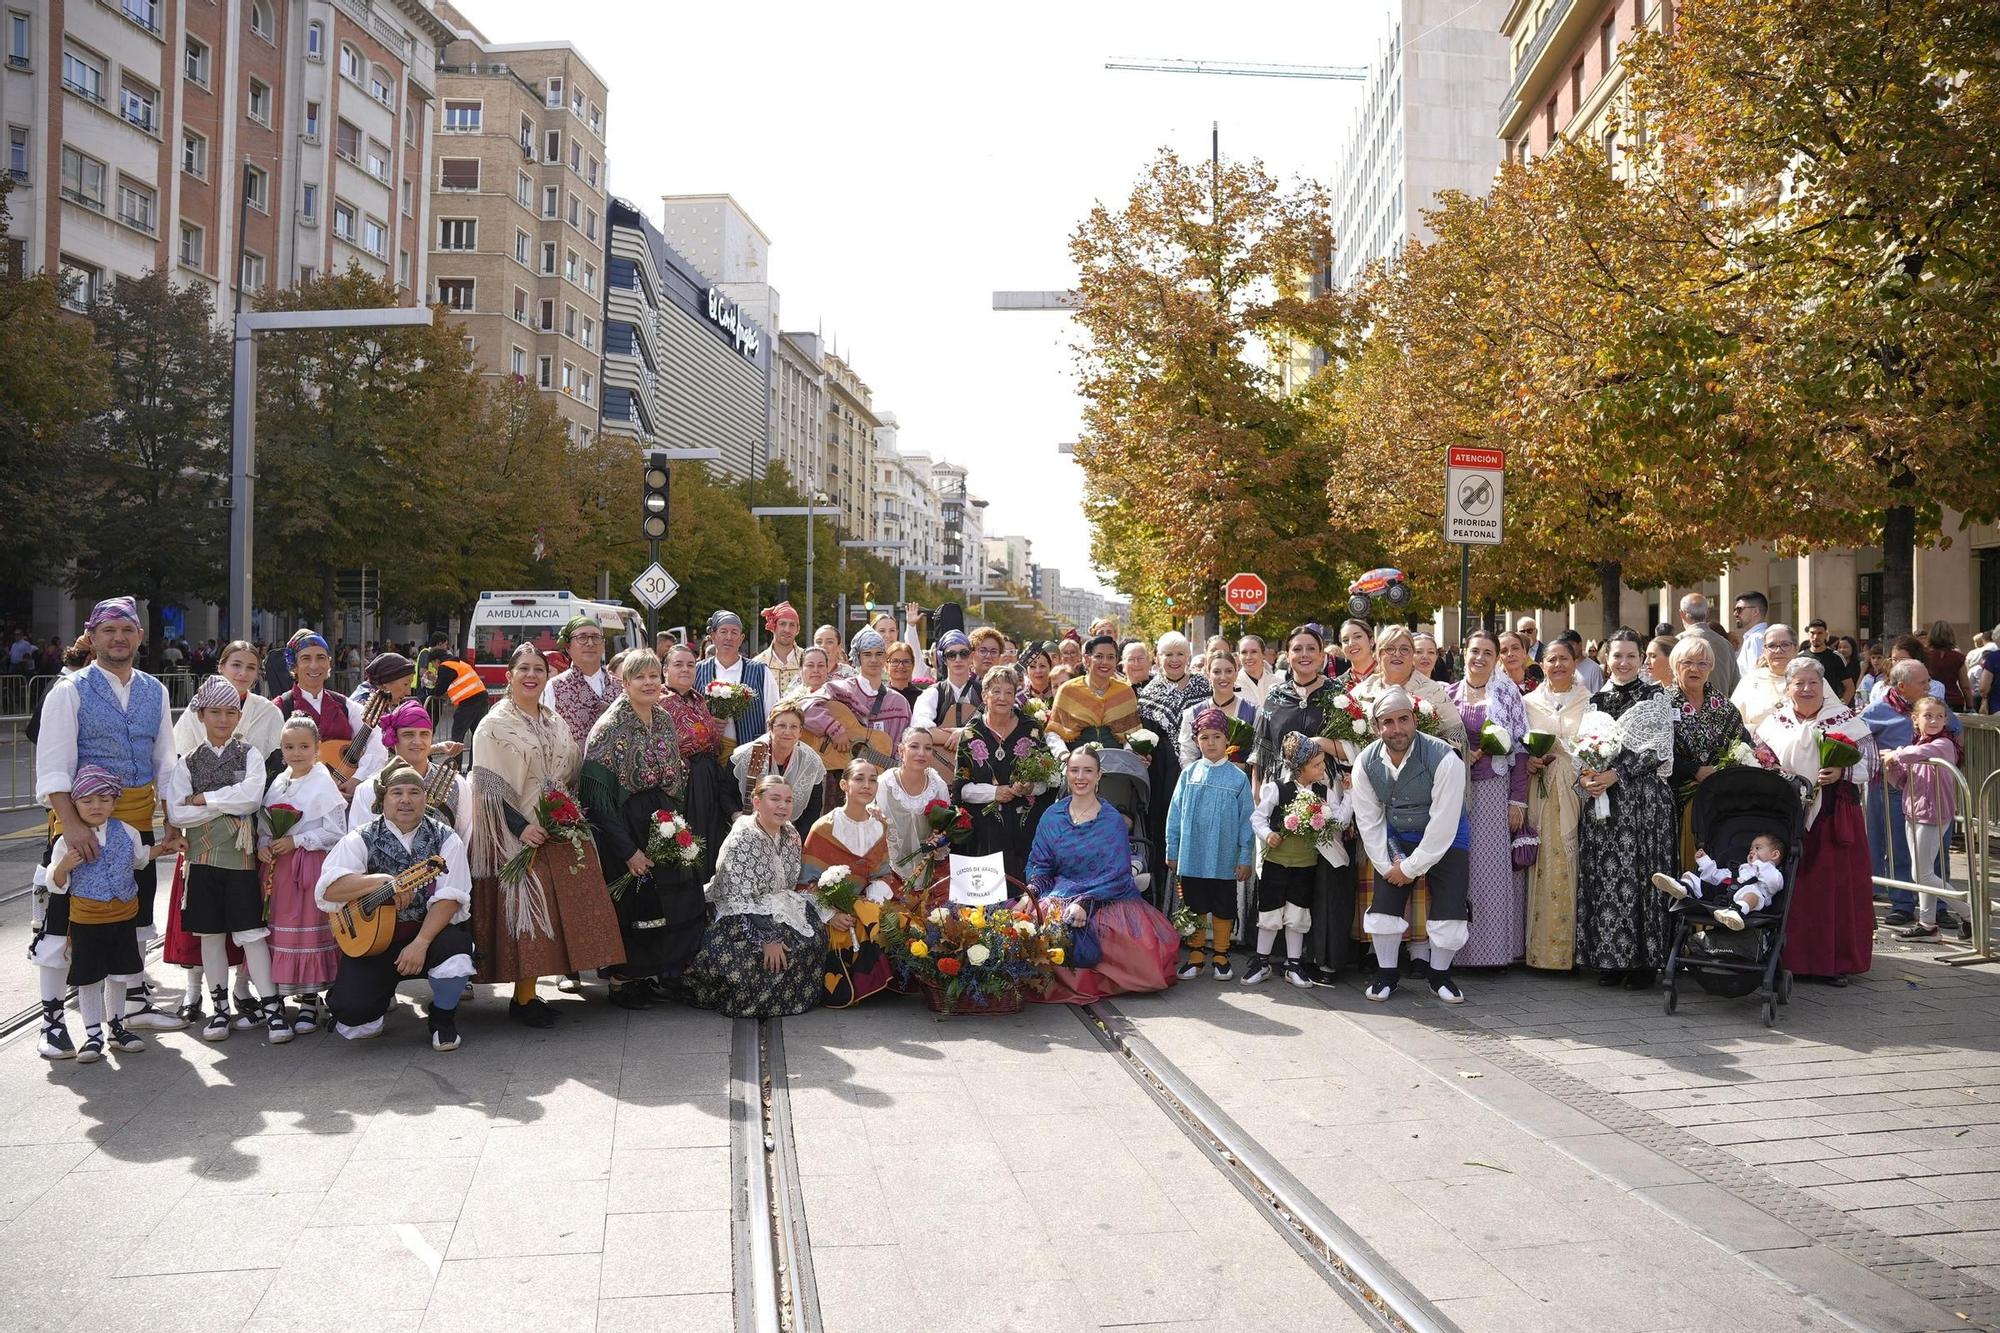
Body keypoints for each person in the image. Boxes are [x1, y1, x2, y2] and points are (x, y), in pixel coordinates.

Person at [31, 596, 184, 1033]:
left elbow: (165, 761)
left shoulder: (154, 690)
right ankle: (52, 1022)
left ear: (140, 635)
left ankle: (132, 1004)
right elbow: (53, 764)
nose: (118, 638)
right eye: (108, 631)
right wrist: (74, 825)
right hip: (82, 820)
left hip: (135, 820)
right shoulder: (69, 690)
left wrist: (170, 819)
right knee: (64, 918)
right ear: (92, 636)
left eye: (126, 630)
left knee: (130, 912)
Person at [466, 642, 626, 1027]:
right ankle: (523, 998)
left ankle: (573, 976)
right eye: (523, 668)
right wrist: (522, 827)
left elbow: (568, 770)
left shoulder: (554, 720)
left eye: (539, 668)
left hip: (557, 824)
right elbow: (488, 789)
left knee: (567, 898)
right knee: (529, 906)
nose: (532, 675)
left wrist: (566, 814)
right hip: (512, 831)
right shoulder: (494, 724)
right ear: (509, 676)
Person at [315, 759, 476, 1049]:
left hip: (428, 935)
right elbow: (329, 889)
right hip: (373, 942)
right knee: (355, 1022)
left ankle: (442, 1018)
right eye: (397, 792)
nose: (405, 800)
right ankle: (374, 996)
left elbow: (452, 897)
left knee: (456, 952)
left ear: (425, 798)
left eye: (414, 792)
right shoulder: (360, 838)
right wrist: (380, 882)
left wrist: (421, 943)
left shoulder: (445, 838)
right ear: (383, 798)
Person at [580, 648, 709, 1008]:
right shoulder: (608, 728)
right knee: (638, 903)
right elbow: (599, 800)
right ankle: (624, 980)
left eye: (654, 676)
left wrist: (678, 827)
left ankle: (667, 972)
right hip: (626, 826)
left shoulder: (664, 718)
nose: (649, 683)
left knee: (678, 896)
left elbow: (674, 777)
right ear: (625, 682)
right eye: (640, 677)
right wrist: (629, 851)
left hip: (664, 820)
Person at [164, 675, 283, 1042]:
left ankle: (272, 1007)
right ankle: (219, 1009)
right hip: (201, 863)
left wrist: (203, 800)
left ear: (239, 715)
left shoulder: (249, 754)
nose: (223, 719)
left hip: (240, 863)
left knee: (251, 934)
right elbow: (176, 814)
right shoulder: (188, 762)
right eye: (215, 711)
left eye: (231, 712)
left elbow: (251, 800)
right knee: (210, 937)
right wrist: (222, 804)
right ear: (200, 715)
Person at [1021, 746, 1180, 1002]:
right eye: (1074, 770)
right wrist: (1033, 892)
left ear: (1099, 776)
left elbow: (1117, 875)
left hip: (1106, 894)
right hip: (1061, 890)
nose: (1080, 777)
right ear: (1066, 774)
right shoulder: (1052, 816)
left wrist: (1086, 903)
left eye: (1088, 771)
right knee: (1035, 923)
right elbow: (1041, 864)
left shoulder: (1111, 820)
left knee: (1136, 951)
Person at [1757, 657, 1876, 983]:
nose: (1806, 689)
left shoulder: (1845, 720)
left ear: (1823, 687)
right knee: (1792, 888)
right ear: (1789, 687)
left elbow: (1872, 765)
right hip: (1788, 815)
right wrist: (1774, 770)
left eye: (1813, 683)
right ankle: (1788, 957)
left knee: (1832, 888)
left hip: (1833, 815)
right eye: (1799, 683)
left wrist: (1842, 771)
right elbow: (1761, 754)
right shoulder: (1776, 721)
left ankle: (1834, 963)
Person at [1350, 687, 1473, 1004]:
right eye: (1388, 722)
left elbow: (1444, 822)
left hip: (1445, 839)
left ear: (1414, 719)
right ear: (1377, 727)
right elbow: (1369, 820)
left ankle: (1439, 976)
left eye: (1403, 719)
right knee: (1384, 909)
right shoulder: (1365, 763)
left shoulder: (1445, 758)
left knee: (1450, 912)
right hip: (1397, 838)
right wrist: (1388, 866)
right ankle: (1386, 974)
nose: (1397, 729)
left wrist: (1411, 868)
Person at [1573, 631, 1677, 989]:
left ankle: (1644, 963)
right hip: (1605, 805)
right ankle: (1610, 959)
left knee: (1642, 878)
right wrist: (1586, 777)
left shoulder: (1655, 696)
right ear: (1606, 659)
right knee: (1607, 878)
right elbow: (1584, 748)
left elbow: (1657, 750)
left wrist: (1617, 773)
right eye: (1617, 655)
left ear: (1641, 659)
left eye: (1631, 655)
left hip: (1643, 803)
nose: (1623, 662)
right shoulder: (1596, 700)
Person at [1249, 625, 1352, 985]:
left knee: (1321, 877)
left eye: (1311, 648)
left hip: (1326, 792)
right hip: (1282, 795)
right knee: (1281, 873)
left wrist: (1325, 744)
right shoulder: (1275, 697)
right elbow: (1261, 752)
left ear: (1323, 655)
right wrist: (1259, 793)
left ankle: (1320, 958)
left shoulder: (1339, 695)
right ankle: (1274, 957)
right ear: (1287, 655)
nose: (1304, 655)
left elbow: (1353, 747)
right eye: (1297, 649)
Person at [31, 765, 156, 1062]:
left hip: (123, 916)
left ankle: (116, 1027)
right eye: (87, 801)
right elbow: (56, 885)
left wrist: (164, 846)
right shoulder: (67, 840)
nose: (96, 806)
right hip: (87, 920)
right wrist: (64, 866)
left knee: (119, 975)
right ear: (74, 804)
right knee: (89, 978)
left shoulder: (127, 831)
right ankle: (92, 1035)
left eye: (104, 799)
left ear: (114, 801)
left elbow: (140, 860)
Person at [682, 777, 825, 1018]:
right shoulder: (742, 839)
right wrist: (768, 938)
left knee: (812, 938)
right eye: (775, 799)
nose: (783, 806)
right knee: (752, 959)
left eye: (788, 800)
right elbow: (740, 898)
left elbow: (787, 885)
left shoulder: (790, 833)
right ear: (757, 802)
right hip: (738, 912)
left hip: (775, 903)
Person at [258, 715, 346, 1035]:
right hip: (278, 869)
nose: (296, 753)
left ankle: (310, 998)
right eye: (289, 747)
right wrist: (263, 844)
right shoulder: (280, 781)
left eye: (304, 746)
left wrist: (297, 840)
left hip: (308, 867)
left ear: (317, 748)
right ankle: (281, 998)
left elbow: (336, 831)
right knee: (280, 932)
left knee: (307, 929)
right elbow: (265, 823)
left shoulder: (323, 783)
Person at [1448, 629, 1530, 967]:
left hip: (1494, 788)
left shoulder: (1507, 693)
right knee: (1458, 868)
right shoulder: (1449, 694)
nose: (1479, 657)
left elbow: (1521, 748)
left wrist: (1517, 800)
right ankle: (1456, 951)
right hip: (1456, 790)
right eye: (1474, 650)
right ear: (1464, 653)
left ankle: (1493, 952)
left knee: (1491, 872)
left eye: (1487, 652)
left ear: (1497, 659)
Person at [1861, 657, 1963, 927]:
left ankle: (1940, 908)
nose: (1929, 686)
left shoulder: (1934, 707)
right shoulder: (1877, 710)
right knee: (1900, 851)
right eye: (1923, 682)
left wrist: (1899, 755)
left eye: (1928, 680)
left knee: (1936, 854)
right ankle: (1903, 904)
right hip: (1895, 789)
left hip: (1933, 794)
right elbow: (1858, 738)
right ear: (1902, 686)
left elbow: (1955, 732)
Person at [1247, 733, 1349, 987]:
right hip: (1276, 862)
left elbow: (1339, 821)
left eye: (1322, 763)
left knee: (1298, 913)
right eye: (1316, 765)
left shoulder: (1323, 792)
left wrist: (1350, 795)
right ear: (1299, 767)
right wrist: (1268, 834)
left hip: (1305, 864)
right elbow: (1257, 818)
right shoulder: (1277, 789)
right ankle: (1262, 961)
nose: (1322, 768)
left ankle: (1294, 964)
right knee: (1270, 911)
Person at [797, 760, 897, 1008]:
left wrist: (873, 897)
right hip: (831, 909)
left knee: (891, 917)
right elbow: (806, 884)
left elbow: (885, 874)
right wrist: (830, 914)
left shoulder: (879, 825)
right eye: (859, 779)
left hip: (865, 905)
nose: (867, 785)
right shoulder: (823, 828)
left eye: (873, 779)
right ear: (844, 784)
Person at [1165, 707, 1255, 980]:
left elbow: (1246, 820)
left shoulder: (1238, 778)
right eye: (1204, 737)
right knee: (1194, 904)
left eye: (1216, 736)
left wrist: (1244, 856)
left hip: (1223, 857)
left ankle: (1221, 954)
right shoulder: (1189, 774)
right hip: (1191, 855)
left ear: (1227, 740)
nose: (1211, 743)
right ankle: (1195, 955)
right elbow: (1175, 814)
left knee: (1223, 904)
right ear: (1196, 740)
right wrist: (1173, 849)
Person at [1521, 639, 1590, 971]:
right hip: (1541, 789)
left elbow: (1595, 746)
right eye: (1552, 659)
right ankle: (1540, 952)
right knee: (1542, 858)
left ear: (1575, 662)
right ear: (1542, 664)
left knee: (1572, 859)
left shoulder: (1589, 701)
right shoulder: (1527, 703)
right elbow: (1518, 749)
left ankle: (1574, 952)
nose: (1559, 665)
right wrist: (1529, 762)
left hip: (1576, 790)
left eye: (1565, 658)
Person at [953, 665, 1055, 886]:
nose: (1002, 698)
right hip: (984, 831)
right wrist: (995, 792)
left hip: (1026, 826)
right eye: (996, 691)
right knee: (987, 897)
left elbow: (1050, 780)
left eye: (1009, 692)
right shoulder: (971, 733)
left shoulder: (1032, 729)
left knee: (1025, 893)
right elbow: (962, 788)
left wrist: (1030, 786)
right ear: (984, 695)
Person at [659, 642, 744, 878]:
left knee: (710, 835)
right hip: (682, 780)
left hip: (708, 776)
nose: (685, 669)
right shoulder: (659, 700)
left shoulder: (698, 700)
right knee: (687, 837)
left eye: (690, 665)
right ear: (665, 670)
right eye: (678, 664)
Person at [1882, 695, 1962, 940]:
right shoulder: (1916, 743)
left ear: (1946, 720)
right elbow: (1902, 780)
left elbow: (1918, 753)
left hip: (1935, 813)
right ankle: (1928, 924)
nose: (1935, 720)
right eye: (1928, 715)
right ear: (1915, 719)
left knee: (1923, 874)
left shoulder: (1944, 744)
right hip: (1914, 810)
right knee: (1924, 872)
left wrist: (1896, 754)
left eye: (1940, 716)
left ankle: (1970, 914)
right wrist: (1892, 767)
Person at [1666, 635, 1747, 872]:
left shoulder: (1722, 705)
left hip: (1720, 797)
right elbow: (1655, 752)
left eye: (1702, 663)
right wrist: (1694, 770)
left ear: (1711, 668)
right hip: (1677, 797)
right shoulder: (1662, 704)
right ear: (1675, 666)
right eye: (1687, 662)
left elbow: (1743, 743)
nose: (1695, 669)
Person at [803, 628, 912, 790]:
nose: (874, 659)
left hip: (882, 783)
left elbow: (904, 745)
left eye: (879, 654)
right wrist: (834, 730)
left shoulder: (899, 703)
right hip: (837, 780)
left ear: (885, 658)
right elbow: (804, 708)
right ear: (857, 657)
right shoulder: (839, 689)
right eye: (867, 654)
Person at [272, 629, 368, 795]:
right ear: (294, 666)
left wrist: (357, 779)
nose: (314, 665)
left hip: (346, 797)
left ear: (329, 663)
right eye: (306, 658)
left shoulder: (345, 705)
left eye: (321, 658)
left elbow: (375, 743)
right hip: (297, 798)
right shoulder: (280, 707)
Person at [348, 701, 470, 831]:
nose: (417, 741)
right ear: (394, 738)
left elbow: (464, 839)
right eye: (408, 734)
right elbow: (358, 843)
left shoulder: (455, 783)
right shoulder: (369, 789)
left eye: (424, 734)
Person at [1351, 626, 1467, 752]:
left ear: (1412, 655)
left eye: (1404, 649)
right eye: (1389, 649)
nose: (1397, 654)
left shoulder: (1434, 692)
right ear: (1378, 655)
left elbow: (1456, 742)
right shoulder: (1361, 693)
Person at [731, 700, 827, 838]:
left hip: (791, 833)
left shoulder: (812, 762)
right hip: (746, 830)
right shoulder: (744, 755)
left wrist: (795, 839)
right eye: (781, 725)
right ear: (770, 728)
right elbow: (726, 792)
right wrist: (737, 816)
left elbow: (813, 808)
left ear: (800, 732)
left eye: (794, 727)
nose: (787, 732)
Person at [1652, 834, 1786, 932]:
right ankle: (1683, 888)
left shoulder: (1773, 873)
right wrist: (1705, 862)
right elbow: (1716, 876)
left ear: (1774, 855)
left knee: (1752, 894)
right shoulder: (1741, 868)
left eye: (1757, 848)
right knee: (1689, 875)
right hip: (1720, 894)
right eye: (1751, 848)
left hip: (1749, 900)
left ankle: (1736, 912)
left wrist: (1757, 864)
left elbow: (1774, 883)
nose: (1752, 851)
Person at [173, 640, 283, 758]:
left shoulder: (268, 711)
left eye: (251, 668)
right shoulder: (199, 704)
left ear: (257, 673)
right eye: (236, 665)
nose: (243, 673)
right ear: (221, 667)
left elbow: (280, 759)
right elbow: (179, 749)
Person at [874, 728, 952, 893]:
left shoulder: (938, 786)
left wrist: (940, 838)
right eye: (914, 746)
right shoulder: (883, 785)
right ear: (901, 750)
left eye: (928, 748)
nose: (921, 753)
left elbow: (947, 830)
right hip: (886, 870)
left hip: (930, 868)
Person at [1046, 635, 1141, 749]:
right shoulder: (1068, 690)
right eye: (1099, 656)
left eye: (1111, 657)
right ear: (1086, 659)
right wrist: (1064, 756)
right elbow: (1053, 732)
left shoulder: (1125, 692)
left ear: (1116, 661)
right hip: (1076, 762)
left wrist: (1128, 756)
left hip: (1116, 763)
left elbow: (1134, 735)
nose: (1105, 662)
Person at [912, 629, 983, 781]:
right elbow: (921, 731)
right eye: (951, 654)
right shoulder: (933, 693)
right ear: (943, 659)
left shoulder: (985, 692)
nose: (958, 659)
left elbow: (998, 728)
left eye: (963, 653)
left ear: (971, 657)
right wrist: (964, 736)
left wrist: (963, 734)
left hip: (981, 769)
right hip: (941, 771)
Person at [695, 610, 772, 746]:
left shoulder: (760, 671)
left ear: (741, 638)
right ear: (713, 636)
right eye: (723, 632)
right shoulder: (698, 670)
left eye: (734, 632)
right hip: (706, 753)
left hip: (750, 750)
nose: (729, 637)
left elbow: (771, 714)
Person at [543, 615, 617, 750]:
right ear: (568, 647)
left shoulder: (620, 687)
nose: (590, 643)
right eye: (582, 638)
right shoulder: (554, 687)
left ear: (603, 645)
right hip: (571, 768)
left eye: (596, 637)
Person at [1176, 648, 1255, 767]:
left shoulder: (1253, 712)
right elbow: (1187, 755)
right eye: (1217, 672)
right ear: (1208, 674)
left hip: (1242, 781)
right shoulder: (1192, 713)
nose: (1223, 677)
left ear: (1236, 673)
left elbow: (1258, 754)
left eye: (1228, 671)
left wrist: (1243, 768)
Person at [1730, 623, 1797, 729]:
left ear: (1796, 649)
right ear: (1764, 651)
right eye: (1772, 646)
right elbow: (1732, 722)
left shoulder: (1811, 678)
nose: (1778, 650)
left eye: (1785, 645)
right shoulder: (1750, 681)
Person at [754, 602, 805, 699]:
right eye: (782, 624)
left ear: (798, 629)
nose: (787, 629)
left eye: (792, 625)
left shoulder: (808, 660)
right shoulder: (758, 663)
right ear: (773, 626)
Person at [1804, 620, 1854, 706]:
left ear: (1826, 635)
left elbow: (1850, 687)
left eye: (1820, 633)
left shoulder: (1836, 657)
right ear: (1808, 634)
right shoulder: (1800, 658)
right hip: (1806, 706)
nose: (1815, 637)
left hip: (1829, 706)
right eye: (1812, 633)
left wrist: (1840, 707)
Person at [1924, 619, 1971, 712]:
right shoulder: (1958, 657)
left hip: (1930, 699)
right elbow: (1965, 686)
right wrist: (1970, 706)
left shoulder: (1924, 656)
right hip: (1954, 700)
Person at [1732, 591, 1770, 681]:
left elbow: (1756, 676)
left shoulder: (1756, 638)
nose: (1735, 614)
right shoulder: (1757, 637)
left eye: (1739, 609)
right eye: (1735, 610)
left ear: (1755, 611)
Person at [1235, 636, 1274, 711]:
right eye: (1244, 652)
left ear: (1263, 654)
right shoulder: (1232, 685)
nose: (1248, 657)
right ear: (1239, 656)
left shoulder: (1278, 683)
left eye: (1254, 652)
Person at [885, 641, 923, 709]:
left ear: (913, 665)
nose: (901, 666)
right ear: (886, 666)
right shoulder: (879, 696)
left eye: (906, 661)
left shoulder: (921, 697)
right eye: (895, 661)